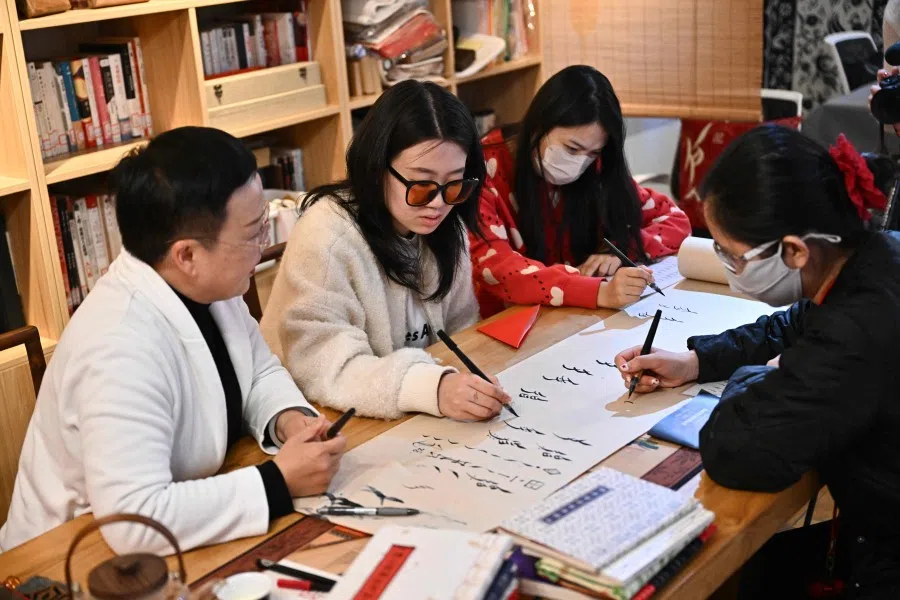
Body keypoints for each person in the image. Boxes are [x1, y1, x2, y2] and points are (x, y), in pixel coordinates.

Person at [0, 127, 346, 554]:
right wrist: (277, 482)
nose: (264, 244)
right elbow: (136, 520)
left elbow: (257, 372)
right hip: (66, 556)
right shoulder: (117, 344)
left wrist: (288, 419)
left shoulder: (204, 283)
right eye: (254, 232)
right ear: (187, 255)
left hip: (183, 521)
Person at [613, 126, 899, 598]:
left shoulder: (856, 330)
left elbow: (735, 451)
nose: (729, 270)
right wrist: (695, 361)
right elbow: (793, 325)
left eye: (733, 257)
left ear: (795, 251)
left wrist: (761, 375)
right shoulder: (874, 257)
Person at [261, 81, 511, 422]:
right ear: (377, 168)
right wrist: (434, 387)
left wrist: (468, 383)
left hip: (413, 420)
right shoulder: (327, 236)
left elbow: (461, 332)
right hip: (321, 419)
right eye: (421, 185)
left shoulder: (446, 226)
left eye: (455, 184)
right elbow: (325, 367)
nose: (439, 204)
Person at [471, 65, 691, 317]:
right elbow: (497, 268)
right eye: (571, 148)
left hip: (571, 318)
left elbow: (675, 220)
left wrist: (620, 249)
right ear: (539, 125)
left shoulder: (596, 170)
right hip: (503, 322)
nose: (579, 163)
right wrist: (597, 292)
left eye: (593, 152)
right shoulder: (483, 169)